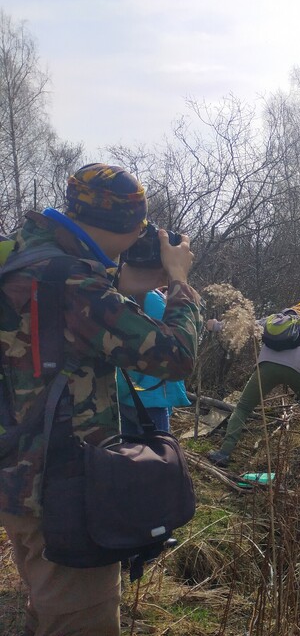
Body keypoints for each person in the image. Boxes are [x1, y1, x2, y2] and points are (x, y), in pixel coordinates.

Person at [0, 163, 201, 636]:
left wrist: (119, 286)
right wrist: (180, 284)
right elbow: (175, 356)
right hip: (64, 490)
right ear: (129, 227)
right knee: (78, 620)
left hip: (18, 478)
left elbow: (59, 322)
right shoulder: (76, 282)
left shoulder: (25, 256)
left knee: (47, 609)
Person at [205, 302, 300, 466]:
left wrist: (216, 325)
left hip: (267, 367)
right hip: (298, 370)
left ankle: (224, 453)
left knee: (243, 407)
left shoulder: (272, 320)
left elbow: (244, 326)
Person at [116, 288, 191, 435]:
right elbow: (179, 343)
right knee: (158, 453)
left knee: (127, 452)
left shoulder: (121, 294)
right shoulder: (152, 299)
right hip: (152, 398)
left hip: (125, 393)